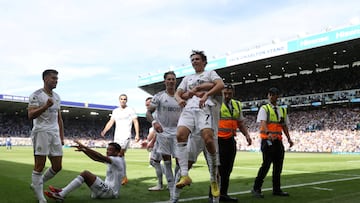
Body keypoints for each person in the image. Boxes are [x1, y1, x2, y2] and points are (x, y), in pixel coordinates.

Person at [174, 50, 224, 198]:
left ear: (204, 61)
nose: (194, 61)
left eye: (197, 59)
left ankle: (213, 180)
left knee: (208, 139)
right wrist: (181, 98)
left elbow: (220, 84)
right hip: (190, 111)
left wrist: (205, 92)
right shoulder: (187, 78)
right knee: (180, 135)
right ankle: (181, 181)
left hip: (205, 109)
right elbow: (179, 93)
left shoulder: (210, 73)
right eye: (192, 60)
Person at [28, 69, 65, 203]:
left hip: (54, 133)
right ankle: (41, 199)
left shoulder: (57, 97)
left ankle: (37, 183)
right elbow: (31, 115)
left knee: (57, 166)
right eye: (53, 78)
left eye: (57, 78)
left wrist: (61, 136)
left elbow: (59, 118)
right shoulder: (36, 95)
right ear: (45, 79)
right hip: (41, 132)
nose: (56, 81)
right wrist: (45, 106)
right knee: (39, 165)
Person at [44, 140, 123, 201]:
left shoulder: (117, 160)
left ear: (116, 152)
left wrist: (85, 147)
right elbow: (96, 158)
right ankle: (62, 191)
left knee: (86, 174)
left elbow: (100, 156)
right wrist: (84, 151)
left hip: (111, 193)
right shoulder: (113, 160)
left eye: (110, 150)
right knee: (86, 175)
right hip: (106, 190)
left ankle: (61, 194)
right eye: (107, 149)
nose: (107, 151)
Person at [251, 87, 294, 198]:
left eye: (274, 94)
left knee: (278, 167)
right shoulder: (264, 108)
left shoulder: (282, 110)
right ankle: (256, 188)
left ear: (277, 96)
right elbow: (263, 123)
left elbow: (284, 126)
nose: (272, 96)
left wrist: (289, 138)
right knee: (266, 165)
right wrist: (268, 133)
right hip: (267, 140)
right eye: (271, 94)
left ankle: (277, 189)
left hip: (278, 141)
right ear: (268, 96)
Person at [147, 71, 182, 201]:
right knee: (167, 162)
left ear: (176, 81)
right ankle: (172, 192)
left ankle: (176, 187)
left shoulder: (181, 96)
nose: (171, 81)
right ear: (165, 81)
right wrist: (154, 122)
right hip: (163, 133)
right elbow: (148, 112)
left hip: (179, 133)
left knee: (180, 162)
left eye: (173, 79)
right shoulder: (159, 96)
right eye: (169, 79)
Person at [217, 83, 252, 202]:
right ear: (221, 92)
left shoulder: (237, 104)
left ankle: (223, 194)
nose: (227, 95)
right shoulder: (216, 104)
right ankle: (214, 195)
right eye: (225, 93)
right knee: (218, 170)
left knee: (227, 169)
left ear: (233, 93)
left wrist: (246, 135)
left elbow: (240, 123)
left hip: (231, 140)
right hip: (218, 140)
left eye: (229, 93)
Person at [101, 94, 140, 185]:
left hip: (126, 135)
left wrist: (137, 134)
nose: (123, 100)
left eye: (125, 99)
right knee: (117, 156)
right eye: (121, 99)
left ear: (127, 100)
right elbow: (111, 122)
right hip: (117, 136)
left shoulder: (130, 110)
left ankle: (123, 176)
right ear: (119, 100)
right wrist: (104, 130)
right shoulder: (115, 111)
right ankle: (120, 176)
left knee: (120, 154)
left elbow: (135, 121)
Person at [145, 96, 164, 191]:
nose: (147, 106)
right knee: (158, 162)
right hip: (162, 139)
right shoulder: (156, 113)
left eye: (149, 104)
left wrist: (151, 141)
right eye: (146, 105)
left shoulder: (157, 114)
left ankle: (160, 184)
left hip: (161, 140)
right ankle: (170, 181)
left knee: (154, 162)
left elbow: (158, 130)